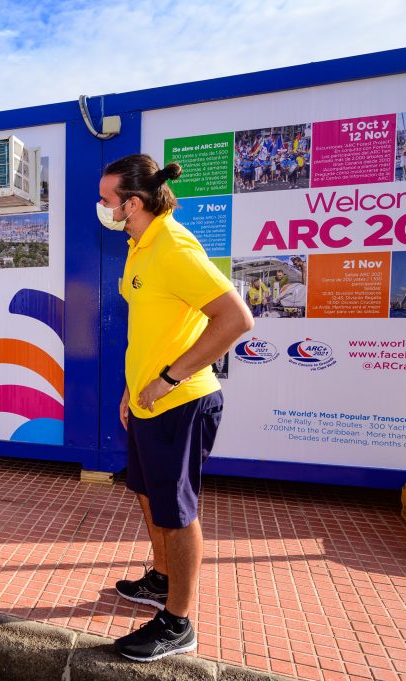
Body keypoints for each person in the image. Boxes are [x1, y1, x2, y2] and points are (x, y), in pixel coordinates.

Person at [98, 155, 253, 662]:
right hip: (146, 403)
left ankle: (178, 622)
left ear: (134, 203)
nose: (102, 207)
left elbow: (235, 319)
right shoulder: (138, 245)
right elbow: (152, 329)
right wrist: (132, 387)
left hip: (181, 403)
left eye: (107, 200)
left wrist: (168, 379)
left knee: (178, 512)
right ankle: (162, 581)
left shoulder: (172, 245)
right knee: (147, 495)